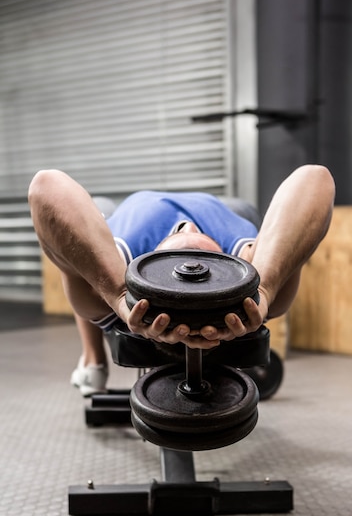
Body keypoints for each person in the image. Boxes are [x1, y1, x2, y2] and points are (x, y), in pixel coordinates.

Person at [28, 165, 335, 396]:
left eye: (182, 266)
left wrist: (117, 296)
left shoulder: (124, 270)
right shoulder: (249, 276)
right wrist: (266, 290)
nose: (189, 235)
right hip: (222, 206)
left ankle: (94, 360)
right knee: (247, 213)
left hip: (128, 223)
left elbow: (46, 186)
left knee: (87, 251)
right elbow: (315, 178)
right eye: (203, 268)